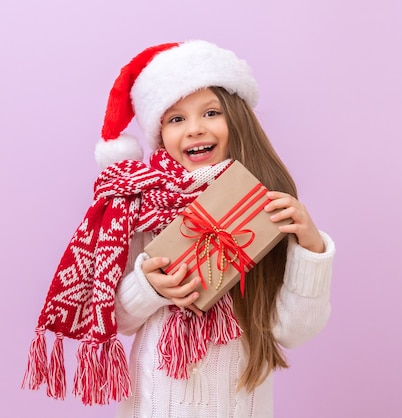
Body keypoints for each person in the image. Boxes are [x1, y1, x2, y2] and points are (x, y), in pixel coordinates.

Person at [22, 40, 335, 418]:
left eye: (211, 112)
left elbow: (293, 331)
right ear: (160, 134)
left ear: (238, 120)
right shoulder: (141, 208)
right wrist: (150, 287)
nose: (194, 129)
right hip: (155, 403)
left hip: (242, 406)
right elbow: (117, 318)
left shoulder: (263, 208)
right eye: (176, 119)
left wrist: (311, 250)